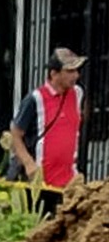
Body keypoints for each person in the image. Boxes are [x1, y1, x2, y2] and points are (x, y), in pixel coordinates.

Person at [8, 47, 86, 215]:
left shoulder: (78, 94)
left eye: (76, 71)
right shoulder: (35, 99)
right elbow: (15, 132)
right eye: (70, 71)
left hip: (68, 181)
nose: (76, 76)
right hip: (40, 182)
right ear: (54, 74)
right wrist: (29, 164)